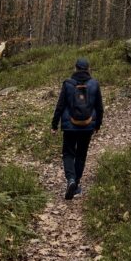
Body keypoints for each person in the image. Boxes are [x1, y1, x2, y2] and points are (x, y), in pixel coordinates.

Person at [51, 57, 103, 200]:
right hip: (87, 126)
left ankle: (71, 180)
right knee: (81, 154)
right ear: (88, 69)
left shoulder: (68, 84)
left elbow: (60, 106)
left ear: (75, 68)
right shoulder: (94, 84)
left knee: (68, 153)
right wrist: (97, 125)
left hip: (69, 126)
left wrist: (54, 124)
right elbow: (99, 107)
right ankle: (76, 184)